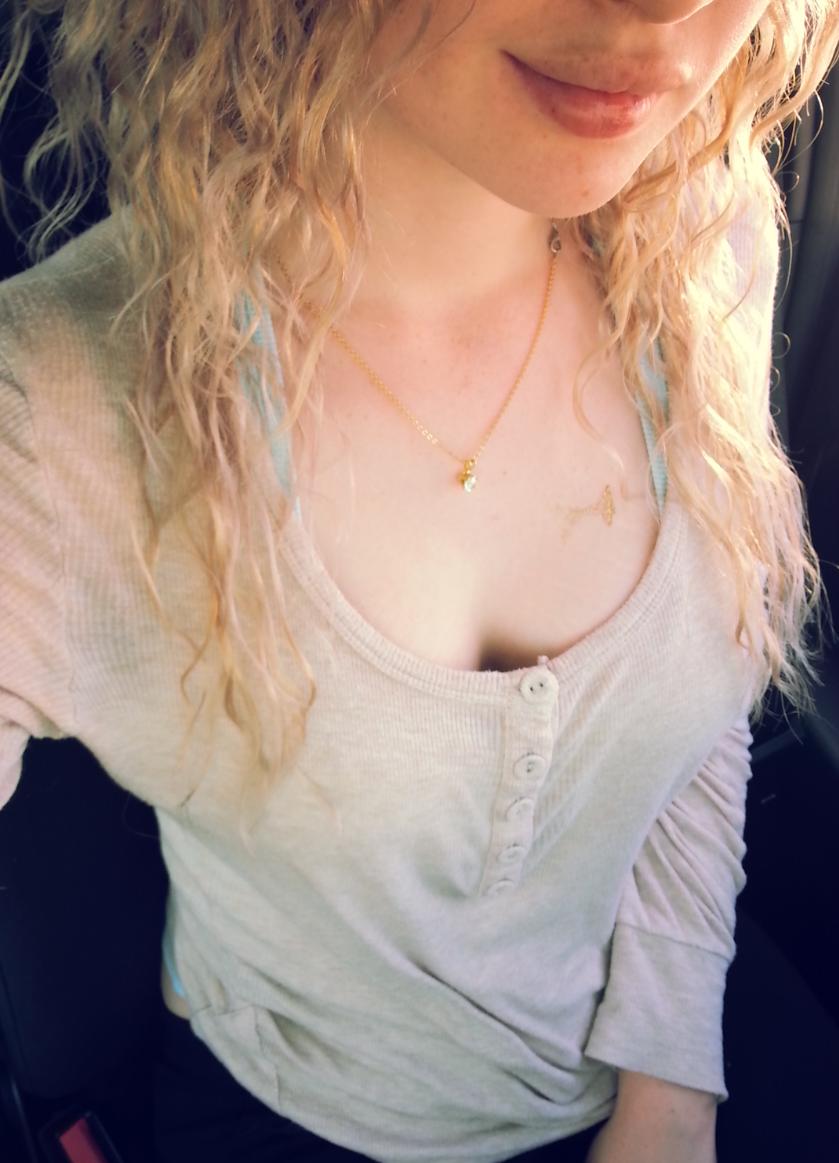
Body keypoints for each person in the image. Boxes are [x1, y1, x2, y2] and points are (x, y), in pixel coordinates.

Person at [0, 2, 838, 1161]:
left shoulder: (707, 236)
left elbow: (693, 694)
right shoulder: (54, 412)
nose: (666, 7)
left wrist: (671, 1086)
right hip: (289, 1109)